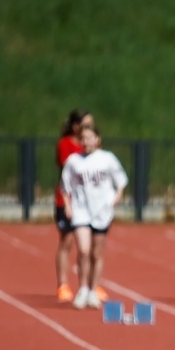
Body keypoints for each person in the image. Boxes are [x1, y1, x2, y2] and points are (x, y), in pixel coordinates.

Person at [61, 123, 128, 310]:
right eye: (82, 138)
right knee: (83, 250)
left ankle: (93, 289)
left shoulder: (107, 159)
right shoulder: (73, 161)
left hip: (102, 211)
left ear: (97, 139)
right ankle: (82, 288)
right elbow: (65, 185)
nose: (86, 141)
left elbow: (121, 180)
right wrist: (68, 206)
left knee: (96, 253)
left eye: (90, 137)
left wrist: (117, 196)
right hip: (81, 211)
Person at [53, 110, 91, 303]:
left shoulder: (93, 147)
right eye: (86, 124)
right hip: (66, 200)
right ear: (76, 126)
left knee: (87, 246)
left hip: (87, 202)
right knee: (67, 242)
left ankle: (87, 286)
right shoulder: (65, 144)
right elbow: (70, 169)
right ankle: (63, 284)